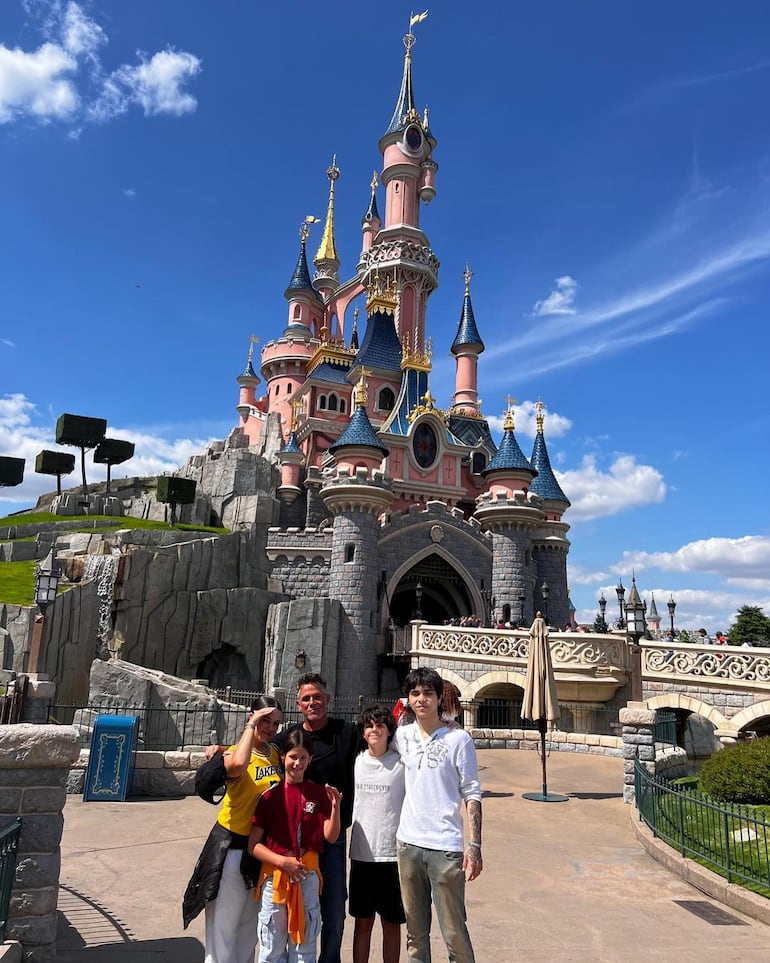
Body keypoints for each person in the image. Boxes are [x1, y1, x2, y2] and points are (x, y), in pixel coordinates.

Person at [183, 696, 283, 963]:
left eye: (275, 723)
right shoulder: (234, 755)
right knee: (223, 929)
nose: (270, 728)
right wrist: (251, 726)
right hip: (231, 849)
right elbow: (238, 764)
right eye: (265, 721)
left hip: (258, 851)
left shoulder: (273, 754)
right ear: (251, 718)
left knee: (249, 928)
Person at [394, 668, 482, 963]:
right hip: (408, 844)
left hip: (445, 848)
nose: (421, 699)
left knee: (454, 932)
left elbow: (471, 792)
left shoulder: (459, 740)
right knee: (415, 935)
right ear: (408, 699)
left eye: (427, 693)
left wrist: (475, 846)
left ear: (437, 698)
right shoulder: (402, 736)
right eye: (415, 694)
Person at [277, 673, 360, 963]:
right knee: (293, 904)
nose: (313, 702)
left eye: (317, 697)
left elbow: (382, 736)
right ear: (299, 704)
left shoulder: (346, 732)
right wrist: (224, 750)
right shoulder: (290, 737)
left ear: (328, 699)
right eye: (307, 698)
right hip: (296, 837)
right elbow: (260, 751)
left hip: (332, 835)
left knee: (334, 907)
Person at [249, 729, 342, 963]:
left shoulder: (317, 793)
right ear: (283, 757)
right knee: (272, 946)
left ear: (310, 759)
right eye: (293, 757)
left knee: (304, 945)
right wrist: (282, 862)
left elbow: (330, 836)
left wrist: (335, 807)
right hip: (276, 878)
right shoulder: (270, 797)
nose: (297, 763)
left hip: (307, 876)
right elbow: (254, 846)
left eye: (302, 758)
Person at [349, 705, 406, 963]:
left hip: (392, 856)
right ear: (363, 732)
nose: (375, 729)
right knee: (363, 922)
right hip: (362, 855)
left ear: (389, 731)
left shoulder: (401, 764)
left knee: (392, 923)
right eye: (369, 725)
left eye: (380, 725)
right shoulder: (357, 762)